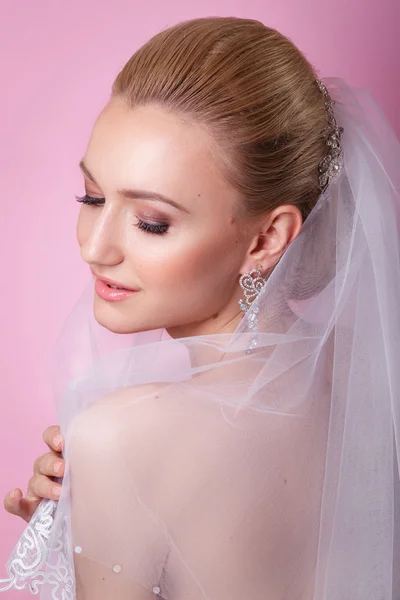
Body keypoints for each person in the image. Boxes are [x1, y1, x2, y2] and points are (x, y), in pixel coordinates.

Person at [1, 15, 400, 600]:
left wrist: (108, 490)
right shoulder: (372, 386)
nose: (93, 245)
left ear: (266, 240)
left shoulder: (120, 439)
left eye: (151, 222)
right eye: (91, 196)